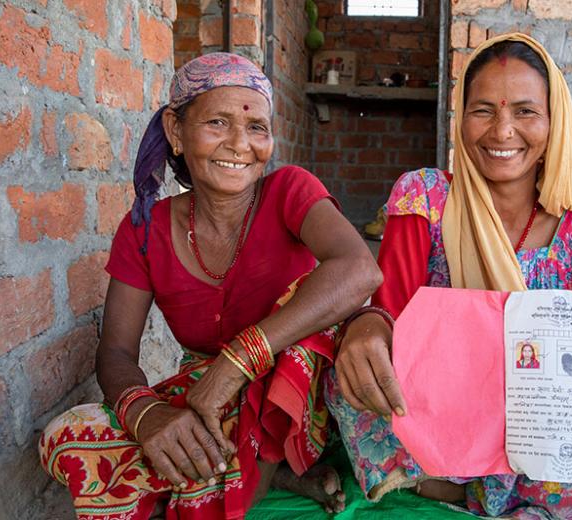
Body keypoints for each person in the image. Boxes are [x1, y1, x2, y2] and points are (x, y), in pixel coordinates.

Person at [326, 33, 572, 518]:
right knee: (352, 377)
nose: (502, 131)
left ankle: (470, 488)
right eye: (483, 110)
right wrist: (367, 324)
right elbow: (389, 314)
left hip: (550, 420)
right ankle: (521, 492)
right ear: (461, 117)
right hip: (445, 411)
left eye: (524, 111)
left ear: (553, 120)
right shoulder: (427, 197)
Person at [39, 53, 381, 519]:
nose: (241, 144)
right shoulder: (145, 231)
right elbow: (116, 354)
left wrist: (238, 363)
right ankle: (256, 470)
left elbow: (360, 270)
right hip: (207, 401)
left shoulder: (288, 192)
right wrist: (147, 415)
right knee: (66, 436)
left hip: (296, 400)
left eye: (257, 127)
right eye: (218, 122)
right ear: (176, 132)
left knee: (308, 330)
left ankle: (245, 470)